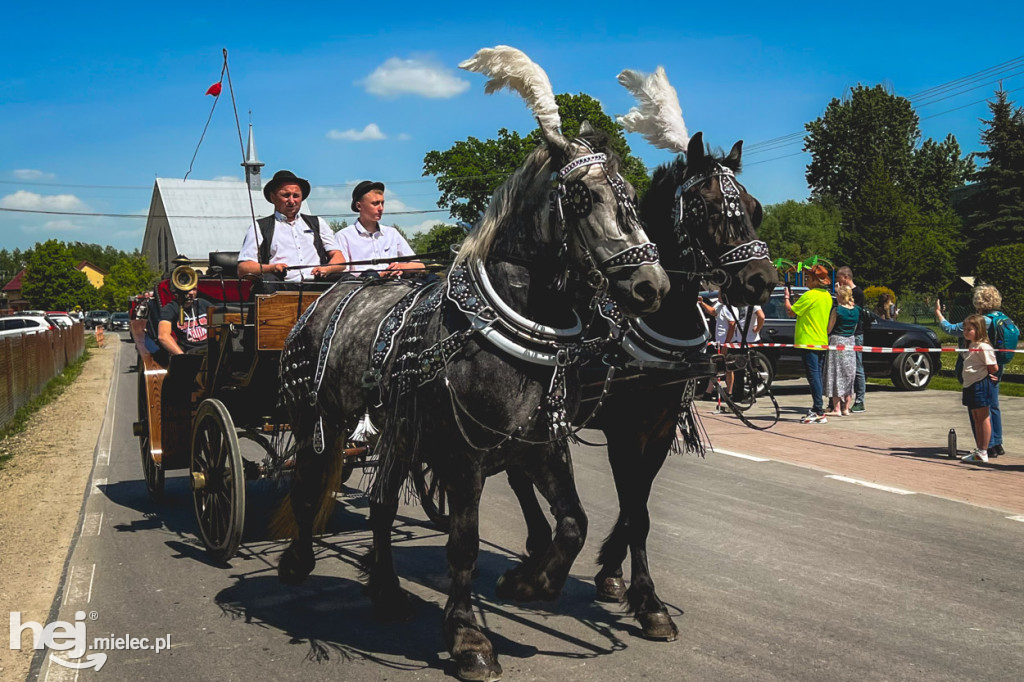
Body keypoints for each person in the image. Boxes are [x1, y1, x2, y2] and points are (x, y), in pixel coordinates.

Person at [934, 284, 1008, 457]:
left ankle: (984, 446)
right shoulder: (1002, 318)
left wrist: (938, 313)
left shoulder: (978, 321)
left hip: (977, 369)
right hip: (995, 365)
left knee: (977, 409)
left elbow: (950, 329)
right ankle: (996, 443)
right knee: (993, 405)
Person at [238, 170, 346, 282]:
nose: (291, 201)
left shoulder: (317, 223)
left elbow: (339, 258)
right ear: (273, 197)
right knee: (267, 281)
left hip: (317, 283)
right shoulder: (260, 227)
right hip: (281, 285)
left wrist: (327, 268)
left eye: (296, 196)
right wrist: (271, 268)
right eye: (286, 195)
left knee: (348, 279)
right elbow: (243, 268)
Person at [335, 181, 422, 276]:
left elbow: (419, 266)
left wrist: (400, 267)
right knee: (370, 274)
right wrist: (380, 276)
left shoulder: (392, 233)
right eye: (375, 203)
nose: (381, 208)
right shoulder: (343, 236)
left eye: (382, 203)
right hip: (364, 288)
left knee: (432, 279)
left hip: (397, 287)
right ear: (359, 206)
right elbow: (343, 274)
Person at [784, 264, 833, 424]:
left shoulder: (809, 295)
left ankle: (818, 409)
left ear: (814, 280)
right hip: (821, 339)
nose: (806, 280)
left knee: (813, 376)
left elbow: (791, 311)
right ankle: (818, 408)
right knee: (817, 374)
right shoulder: (826, 296)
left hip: (808, 340)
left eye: (808, 278)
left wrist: (787, 298)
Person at [955, 314, 999, 463]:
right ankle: (979, 449)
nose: (966, 332)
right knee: (975, 418)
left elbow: (993, 367)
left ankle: (984, 450)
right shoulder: (970, 346)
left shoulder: (983, 347)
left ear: (978, 330)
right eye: (964, 329)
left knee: (983, 417)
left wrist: (988, 374)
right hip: (970, 384)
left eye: (969, 329)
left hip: (980, 384)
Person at [823, 285, 860, 416]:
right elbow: (854, 328)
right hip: (850, 341)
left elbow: (829, 328)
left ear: (840, 296)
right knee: (849, 373)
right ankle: (846, 407)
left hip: (837, 341)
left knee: (835, 373)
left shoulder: (837, 310)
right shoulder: (856, 310)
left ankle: (836, 408)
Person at [836, 266, 867, 412]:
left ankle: (860, 399)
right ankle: (840, 401)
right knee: (842, 368)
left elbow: (853, 311)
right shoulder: (841, 292)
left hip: (855, 333)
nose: (838, 281)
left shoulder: (858, 293)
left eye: (839, 278)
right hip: (843, 334)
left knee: (857, 367)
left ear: (846, 277)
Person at [157, 280, 211, 356]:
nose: (191, 293)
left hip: (210, 349)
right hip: (190, 352)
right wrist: (182, 357)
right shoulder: (170, 308)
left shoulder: (203, 304)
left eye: (194, 289)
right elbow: (163, 336)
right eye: (188, 290)